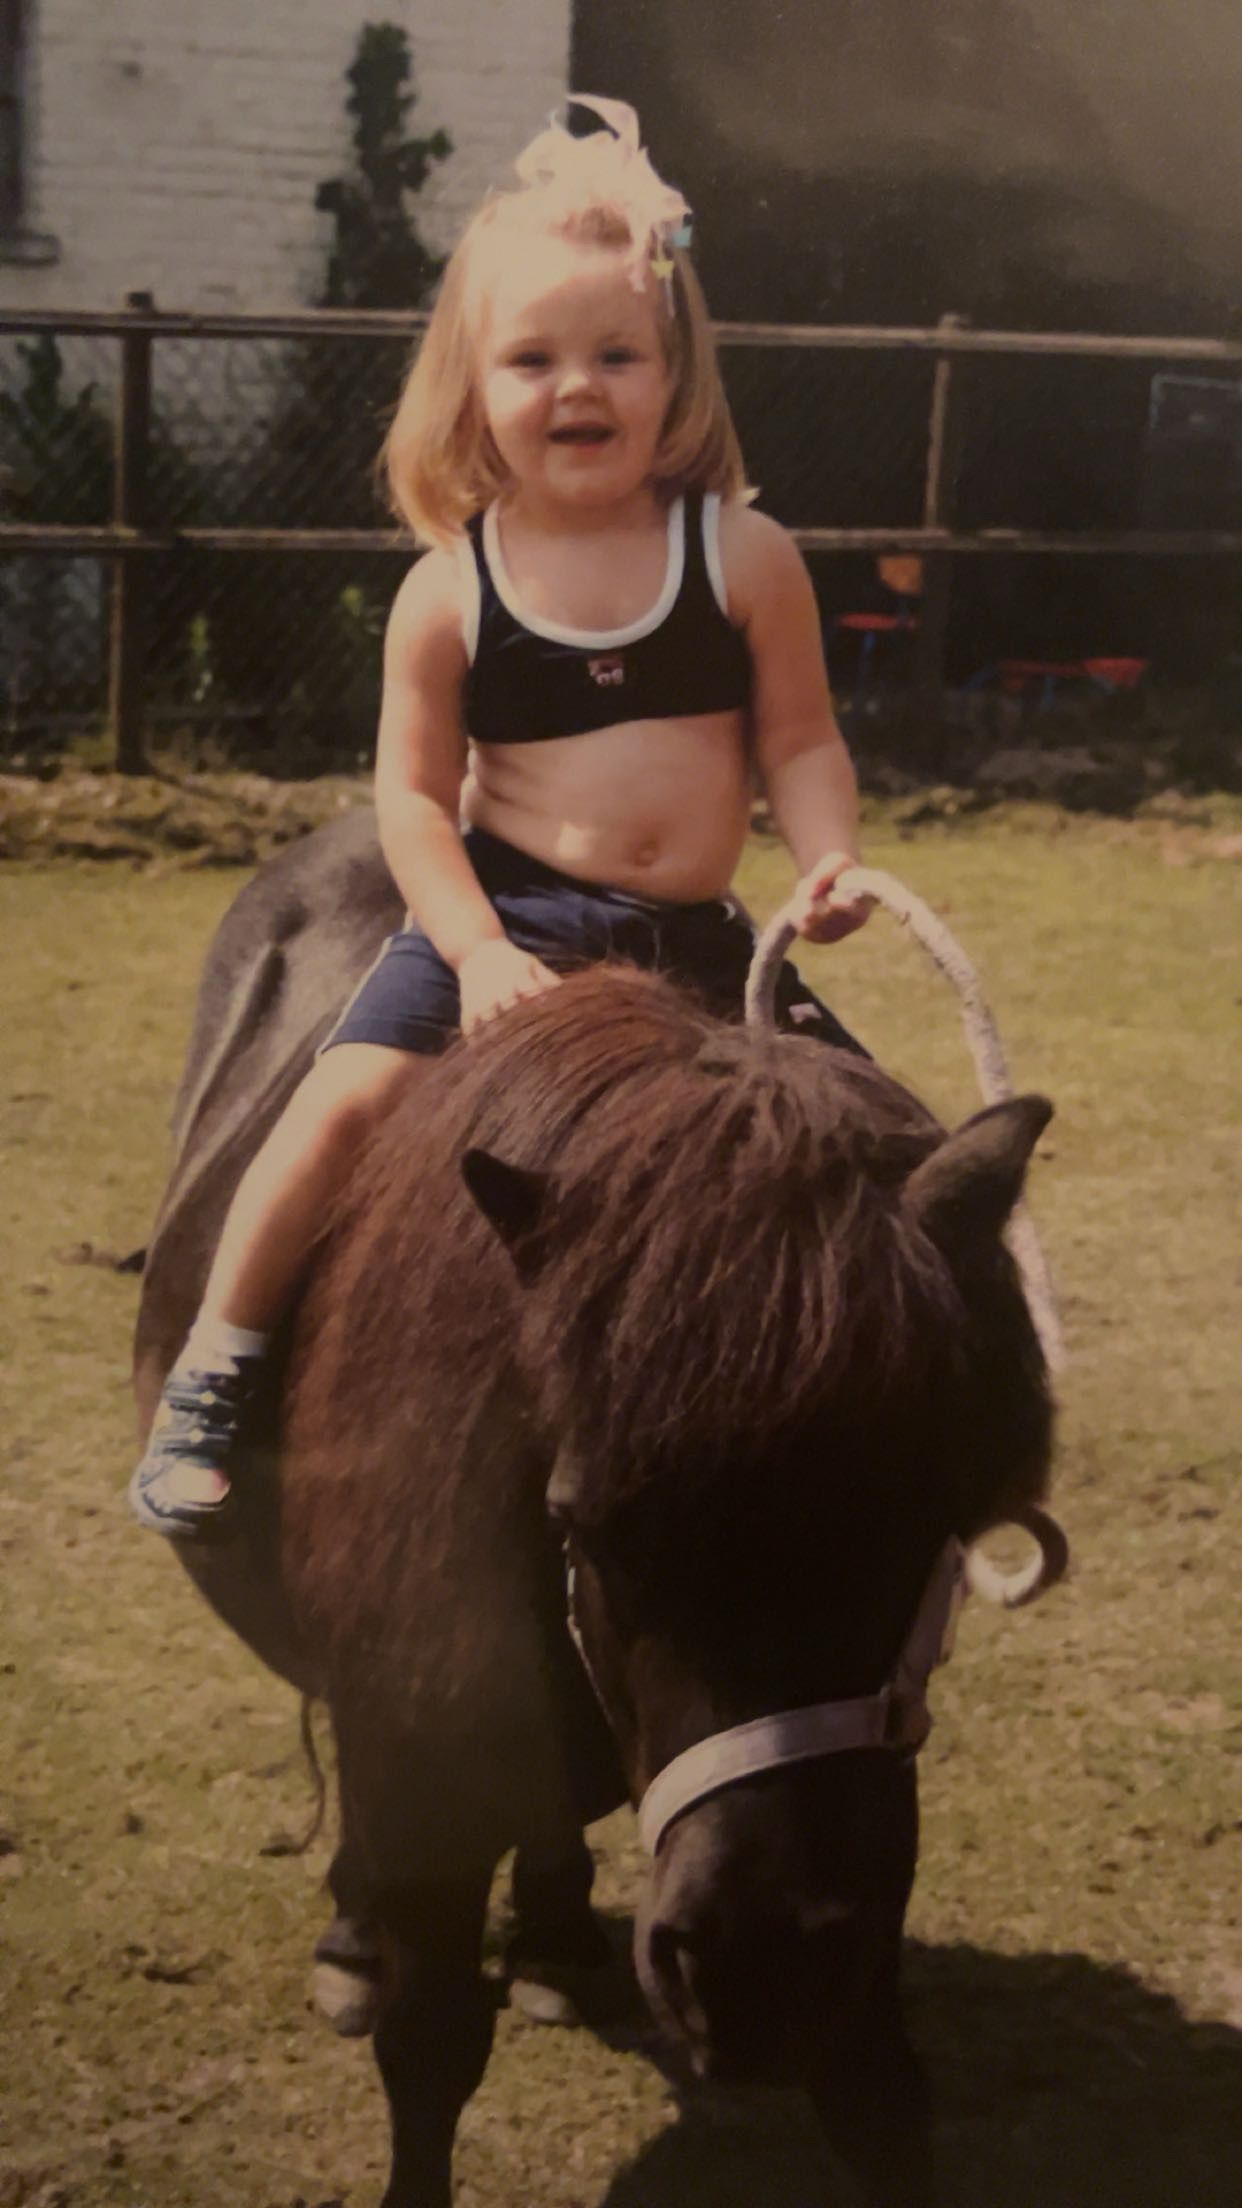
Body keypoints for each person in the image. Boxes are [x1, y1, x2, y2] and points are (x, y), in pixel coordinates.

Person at [129, 95, 872, 1541]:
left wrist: (827, 853)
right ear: (471, 385)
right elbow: (409, 802)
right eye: (532, 358)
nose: (574, 386)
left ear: (672, 373)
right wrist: (469, 952)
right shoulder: (449, 591)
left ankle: (894, 1424)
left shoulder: (742, 558)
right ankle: (213, 1372)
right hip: (511, 912)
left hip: (693, 936)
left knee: (866, 1143)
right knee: (343, 1099)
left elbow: (801, 739)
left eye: (615, 354)